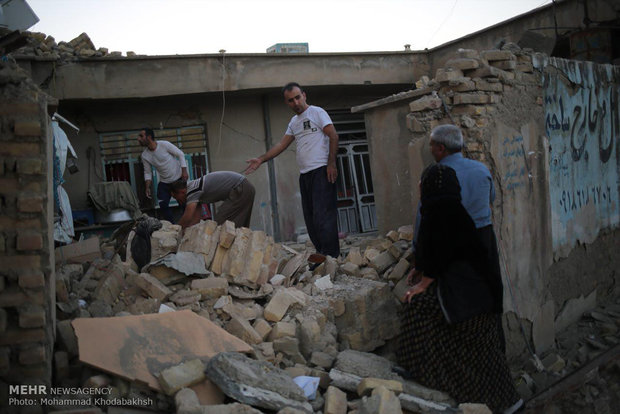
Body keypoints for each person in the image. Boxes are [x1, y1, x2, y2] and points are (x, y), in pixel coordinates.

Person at [398, 164, 523, 414]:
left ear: (430, 187)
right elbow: (440, 250)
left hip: (465, 301)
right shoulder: (456, 211)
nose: (420, 187)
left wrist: (422, 283)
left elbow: (439, 251)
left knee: (416, 308)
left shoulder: (436, 213)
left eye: (423, 183)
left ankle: (424, 372)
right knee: (487, 358)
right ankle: (509, 402)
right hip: (484, 297)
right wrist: (421, 269)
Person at [409, 124, 505, 345]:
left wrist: (419, 261)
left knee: (451, 307)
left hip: (449, 246)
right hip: (482, 243)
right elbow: (490, 201)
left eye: (432, 145)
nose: (430, 149)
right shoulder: (482, 170)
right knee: (486, 300)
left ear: (441, 148)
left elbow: (424, 220)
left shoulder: (436, 175)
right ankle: (493, 351)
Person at [244, 82, 340, 259]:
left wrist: (331, 164)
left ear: (304, 95)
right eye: (290, 100)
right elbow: (281, 144)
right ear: (287, 103)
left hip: (322, 171)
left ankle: (331, 256)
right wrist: (261, 159)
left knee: (323, 216)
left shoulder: (317, 112)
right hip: (305, 175)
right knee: (311, 218)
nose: (295, 103)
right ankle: (321, 254)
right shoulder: (294, 122)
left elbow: (333, 135)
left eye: (297, 97)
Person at [170, 171, 255, 229]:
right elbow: (195, 219)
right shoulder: (195, 193)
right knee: (236, 225)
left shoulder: (192, 190)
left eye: (176, 198)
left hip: (240, 188)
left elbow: (187, 217)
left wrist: (176, 230)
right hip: (243, 187)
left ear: (181, 192)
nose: (178, 202)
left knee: (222, 224)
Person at [138, 127, 188, 223]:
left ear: (148, 137)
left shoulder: (164, 144)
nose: (138, 139)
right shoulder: (144, 155)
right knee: (163, 205)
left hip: (178, 179)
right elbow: (147, 172)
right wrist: (147, 187)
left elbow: (180, 154)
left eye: (141, 136)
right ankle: (173, 227)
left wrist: (184, 171)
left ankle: (188, 224)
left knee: (183, 203)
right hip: (164, 182)